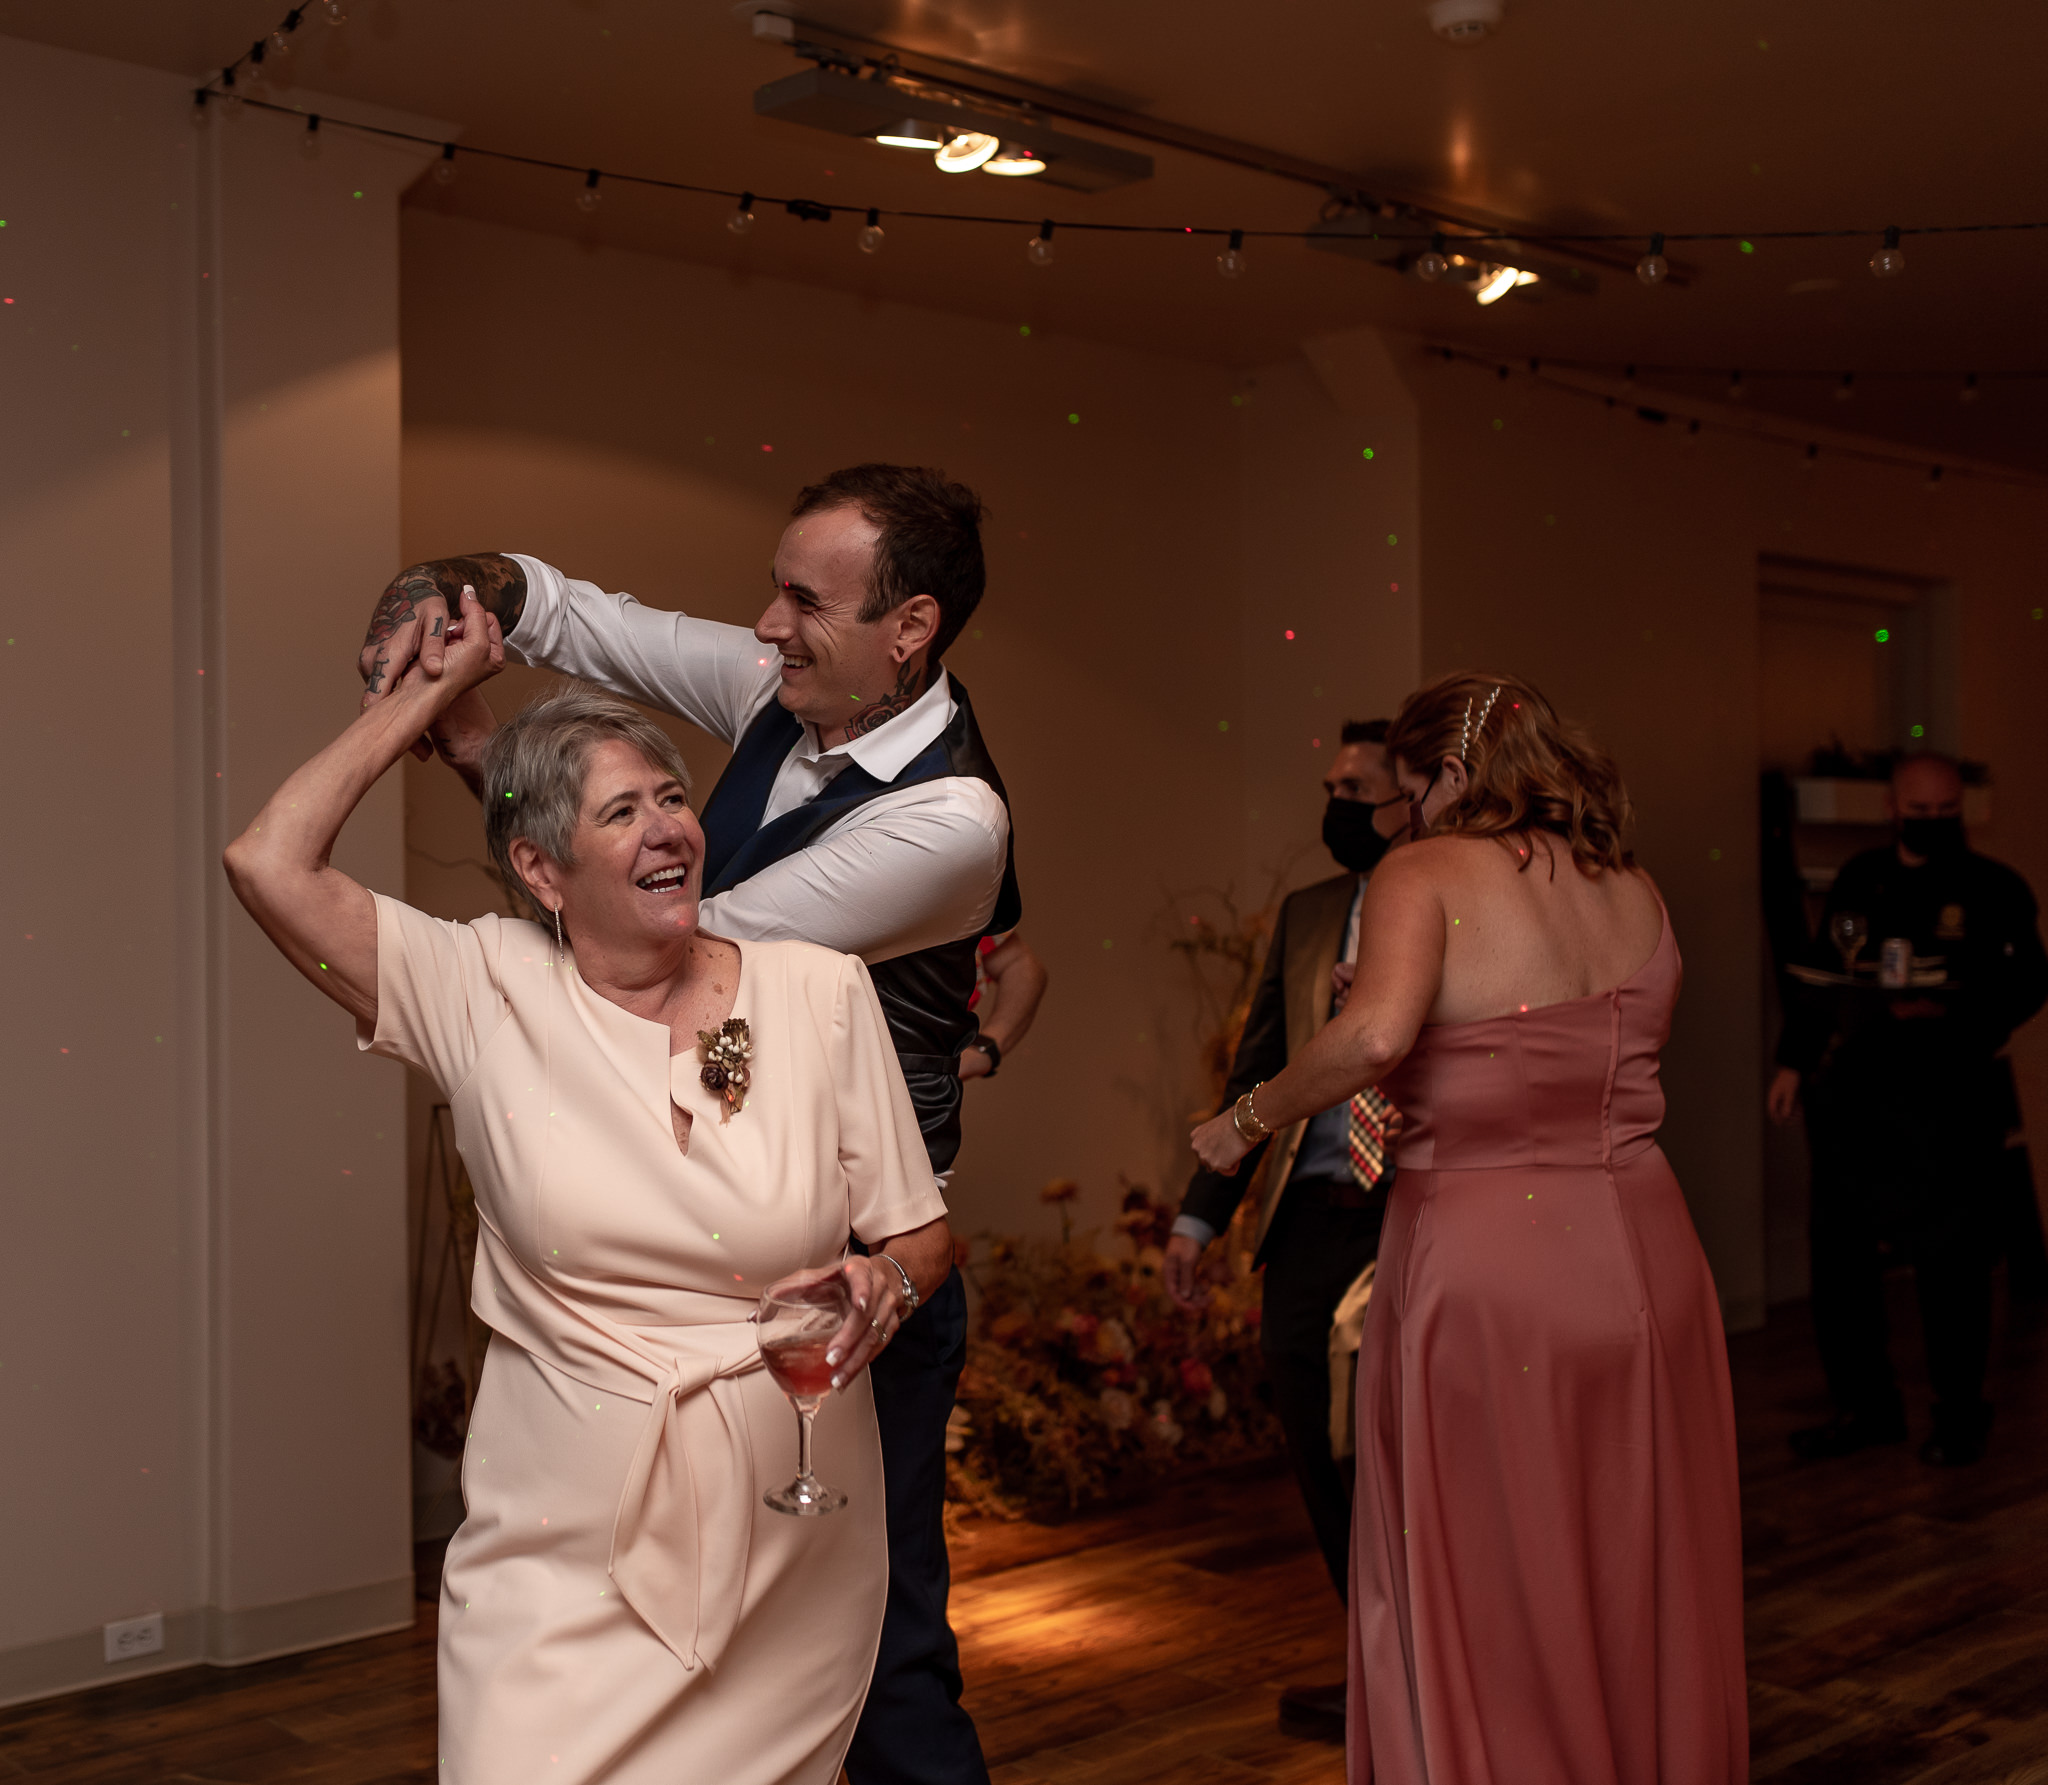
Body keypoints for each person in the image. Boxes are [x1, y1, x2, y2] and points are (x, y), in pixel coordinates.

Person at [355, 465, 1016, 1785]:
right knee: (699, 1640)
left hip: (857, 1273)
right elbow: (585, 616)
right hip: (695, 1257)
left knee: (883, 1664)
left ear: (912, 629)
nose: (766, 624)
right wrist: (443, 601)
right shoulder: (790, 693)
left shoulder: (951, 818)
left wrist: (504, 766)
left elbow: (686, 935)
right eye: (774, 588)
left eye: (802, 598)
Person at [225, 601, 953, 1784]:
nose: (669, 827)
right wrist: (424, 699)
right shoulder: (477, 985)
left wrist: (883, 1284)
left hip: (788, 1529)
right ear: (538, 869)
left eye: (673, 799)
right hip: (557, 1550)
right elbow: (268, 860)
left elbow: (923, 1238)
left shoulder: (818, 992)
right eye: (623, 812)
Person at [1192, 672, 1746, 1785]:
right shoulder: (1629, 886)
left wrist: (1240, 1120)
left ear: (1447, 773)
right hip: (1643, 1253)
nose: (1406, 818)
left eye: (1409, 793)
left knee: (1494, 1560)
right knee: (1630, 1550)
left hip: (1489, 1256)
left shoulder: (1423, 870)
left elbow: (1374, 1041)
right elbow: (1533, 1040)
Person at [1163, 719, 1408, 1743]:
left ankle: (1433, 1660)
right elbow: (1258, 1066)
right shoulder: (1310, 912)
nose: (1337, 804)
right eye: (1328, 785)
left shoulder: (1452, 903)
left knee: (1389, 1449)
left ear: (1410, 794)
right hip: (1310, 1209)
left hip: (1411, 1204)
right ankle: (1377, 1663)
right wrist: (1196, 1213)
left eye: (1356, 787)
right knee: (1314, 1438)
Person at [1768, 752, 2048, 1467]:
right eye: (1918, 811)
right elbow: (1828, 976)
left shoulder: (1994, 887)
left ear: (1959, 807)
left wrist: (1956, 1015)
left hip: (1951, 1095)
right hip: (1861, 1094)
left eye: (1944, 811)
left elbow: (2026, 985)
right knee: (1839, 1258)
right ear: (1892, 809)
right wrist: (1794, 1063)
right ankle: (1865, 1405)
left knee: (1951, 1264)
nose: (1931, 823)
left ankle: (1960, 1414)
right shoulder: (1861, 878)